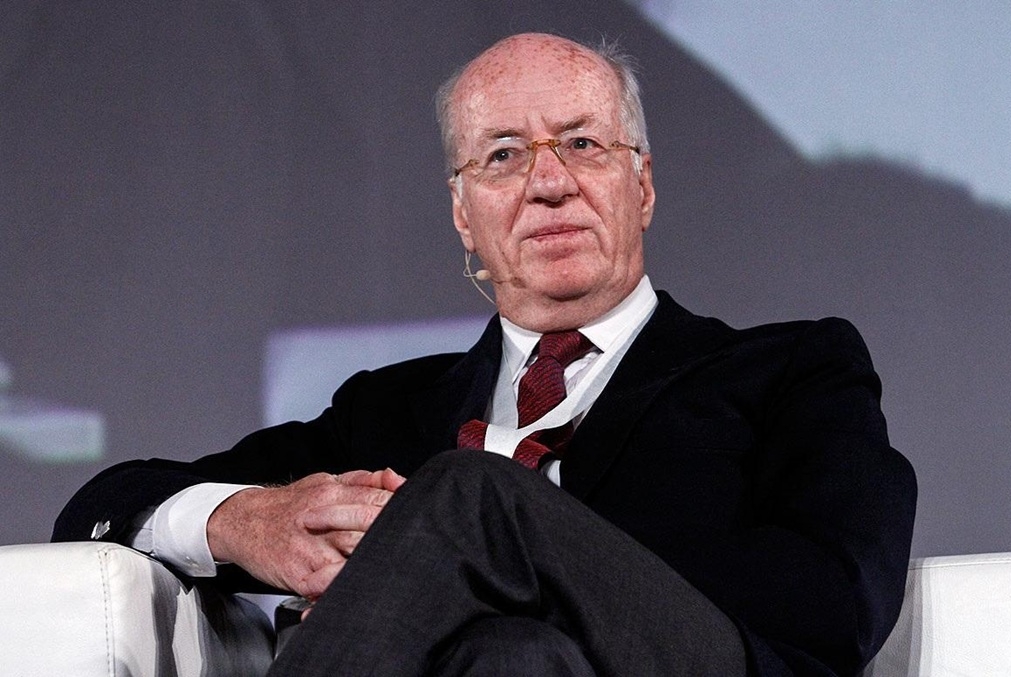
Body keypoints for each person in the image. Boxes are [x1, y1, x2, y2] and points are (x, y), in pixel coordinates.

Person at [53, 33, 917, 676]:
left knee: (473, 491)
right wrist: (244, 518)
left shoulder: (791, 369)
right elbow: (101, 504)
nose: (550, 182)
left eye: (583, 144)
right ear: (464, 214)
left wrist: (504, 550)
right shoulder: (386, 410)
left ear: (642, 184)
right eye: (504, 155)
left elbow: (838, 601)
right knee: (512, 656)